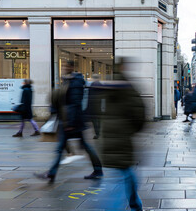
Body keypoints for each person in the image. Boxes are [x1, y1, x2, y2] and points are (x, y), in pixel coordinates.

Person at [35, 61, 103, 183]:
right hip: (67, 120)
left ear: (72, 67)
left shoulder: (75, 82)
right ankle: (52, 173)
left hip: (72, 121)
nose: (64, 68)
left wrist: (70, 123)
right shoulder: (68, 80)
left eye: (66, 66)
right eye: (63, 66)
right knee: (65, 148)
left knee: (67, 147)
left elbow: (74, 104)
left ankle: (52, 173)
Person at [96, 58, 145, 211]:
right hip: (123, 141)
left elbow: (97, 110)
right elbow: (140, 117)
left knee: (125, 176)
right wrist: (130, 131)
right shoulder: (130, 90)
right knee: (121, 180)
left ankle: (136, 206)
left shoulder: (106, 88)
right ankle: (133, 206)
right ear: (124, 68)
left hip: (108, 141)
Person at [87, 74, 102, 139]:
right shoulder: (101, 85)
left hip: (94, 106)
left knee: (95, 121)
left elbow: (89, 97)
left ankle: (97, 133)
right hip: (98, 106)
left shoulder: (92, 85)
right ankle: (98, 133)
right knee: (98, 121)